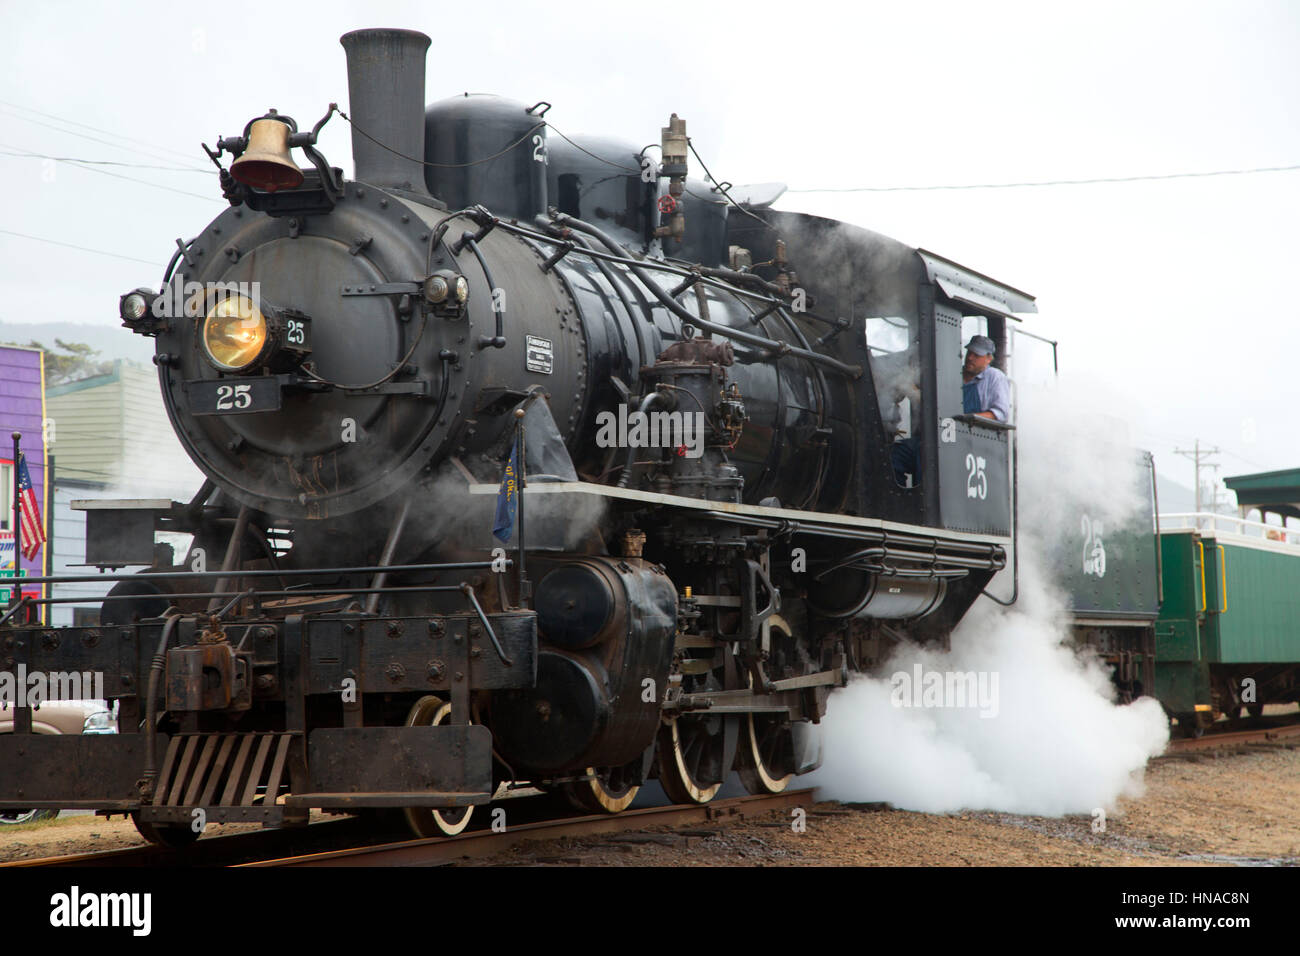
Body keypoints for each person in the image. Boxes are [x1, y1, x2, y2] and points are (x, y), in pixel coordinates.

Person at [961, 335, 1010, 422]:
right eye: (969, 353)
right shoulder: (954, 372)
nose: (970, 358)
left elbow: (1001, 413)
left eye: (976, 355)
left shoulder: (995, 377)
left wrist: (968, 418)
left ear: (989, 359)